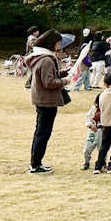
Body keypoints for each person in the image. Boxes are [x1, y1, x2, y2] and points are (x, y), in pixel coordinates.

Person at [26, 30, 70, 173]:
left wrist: (63, 73)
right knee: (43, 133)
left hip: (43, 99)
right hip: (46, 100)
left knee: (42, 132)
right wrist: (64, 81)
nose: (59, 45)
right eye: (58, 42)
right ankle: (36, 164)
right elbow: (48, 82)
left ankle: (36, 163)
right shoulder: (46, 59)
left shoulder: (42, 57)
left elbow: (48, 76)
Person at [82, 94, 103, 170]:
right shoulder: (94, 108)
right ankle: (86, 162)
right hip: (93, 131)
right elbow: (87, 118)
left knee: (102, 149)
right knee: (87, 148)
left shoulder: (109, 108)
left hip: (103, 131)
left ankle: (102, 162)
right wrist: (90, 125)